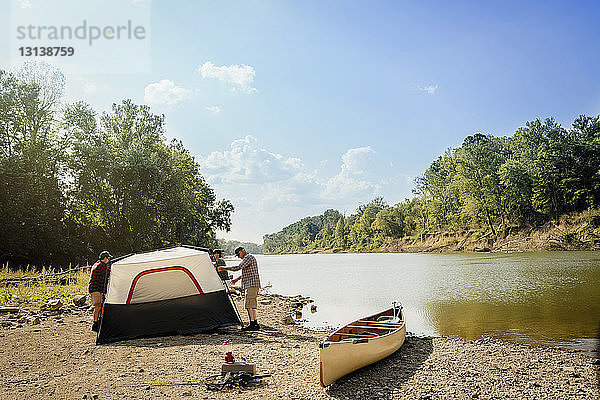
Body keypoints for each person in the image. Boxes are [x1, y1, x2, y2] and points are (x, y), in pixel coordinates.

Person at [218, 246, 261, 331]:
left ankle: (252, 324)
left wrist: (223, 268)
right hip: (251, 284)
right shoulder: (248, 259)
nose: (238, 256)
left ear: (243, 251)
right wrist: (237, 279)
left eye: (238, 254)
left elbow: (238, 267)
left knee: (249, 305)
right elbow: (247, 272)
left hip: (251, 285)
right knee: (251, 304)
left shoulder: (248, 257)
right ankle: (254, 323)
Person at [88, 250, 112, 332]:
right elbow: (109, 274)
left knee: (101, 306)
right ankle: (95, 324)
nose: (109, 260)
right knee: (98, 306)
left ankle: (99, 323)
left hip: (97, 289)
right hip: (96, 289)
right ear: (105, 258)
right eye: (108, 258)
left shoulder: (97, 264)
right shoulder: (101, 266)